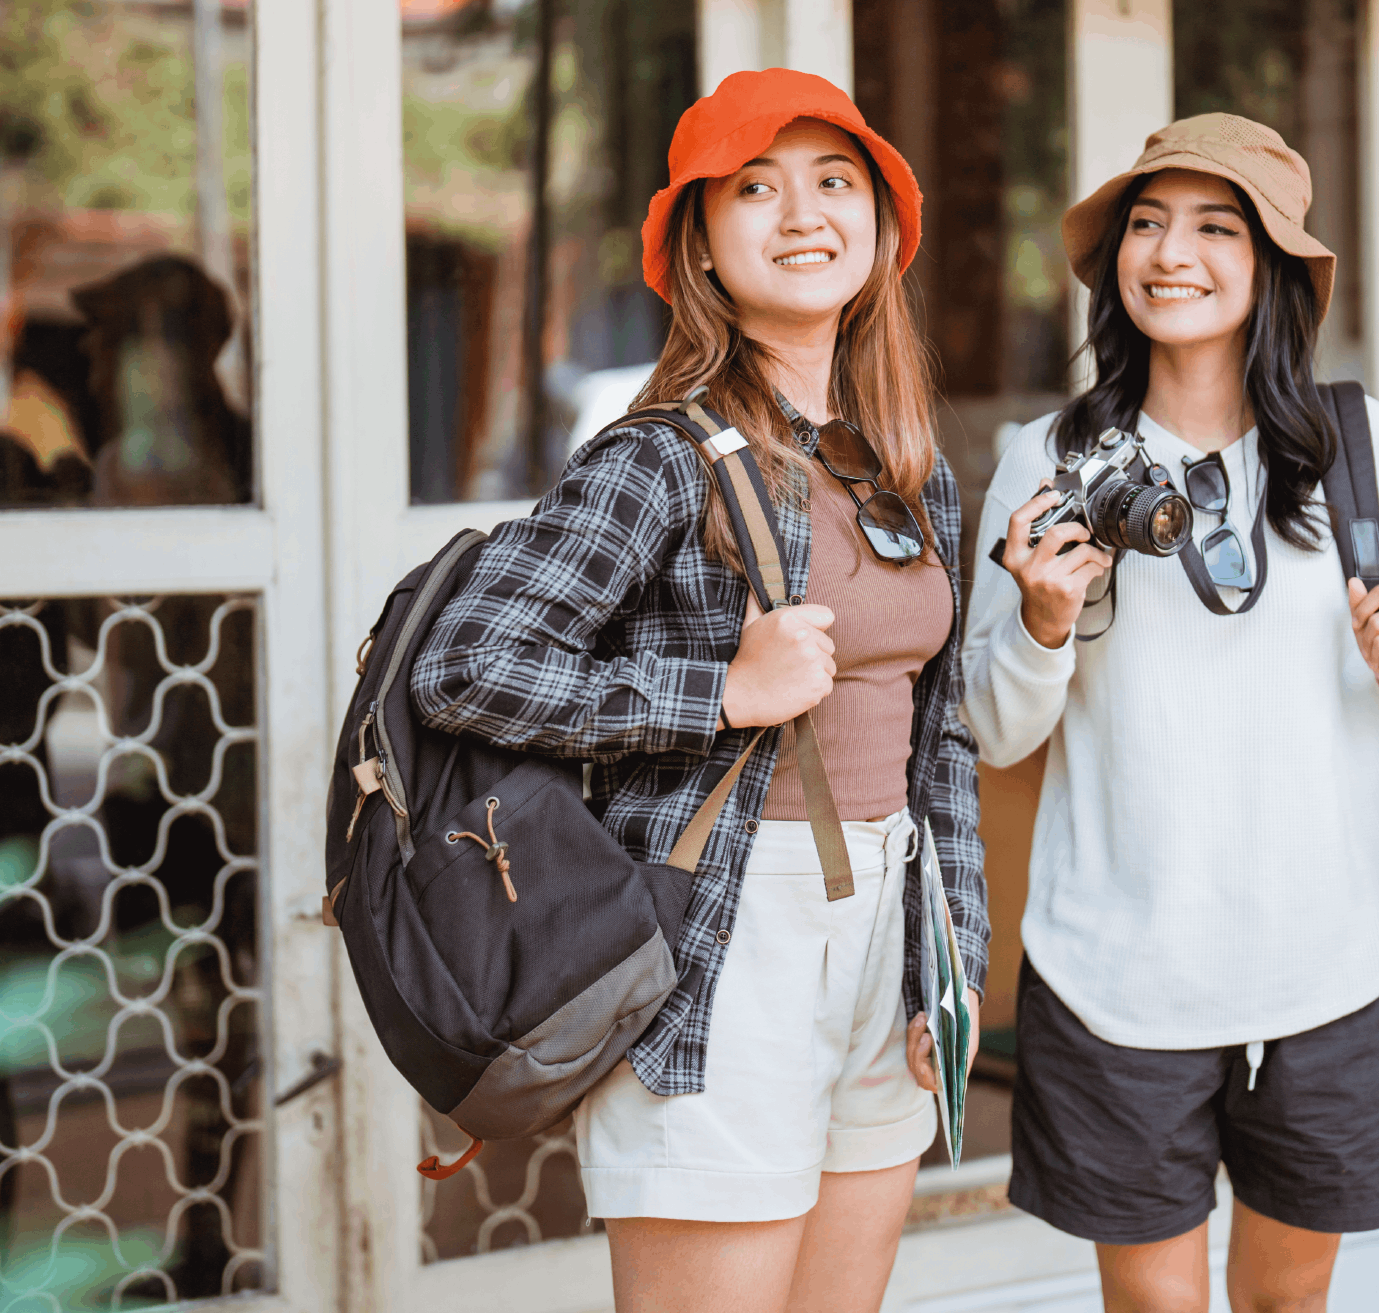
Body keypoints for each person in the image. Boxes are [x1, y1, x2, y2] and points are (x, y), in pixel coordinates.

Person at [410, 69, 987, 1313]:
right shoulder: (657, 456)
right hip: (730, 939)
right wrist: (719, 688)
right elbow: (466, 664)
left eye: (836, 182)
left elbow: (940, 745)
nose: (802, 214)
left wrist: (955, 963)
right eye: (754, 189)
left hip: (888, 936)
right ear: (701, 250)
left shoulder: (906, 473)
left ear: (882, 229)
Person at [961, 115, 1379, 1312]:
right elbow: (994, 729)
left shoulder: (1352, 445)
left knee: (1285, 1302)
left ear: (1271, 267)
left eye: (1216, 227)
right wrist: (1044, 622)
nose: (1172, 252)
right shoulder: (1047, 459)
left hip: (1334, 961)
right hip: (1116, 967)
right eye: (1146, 224)